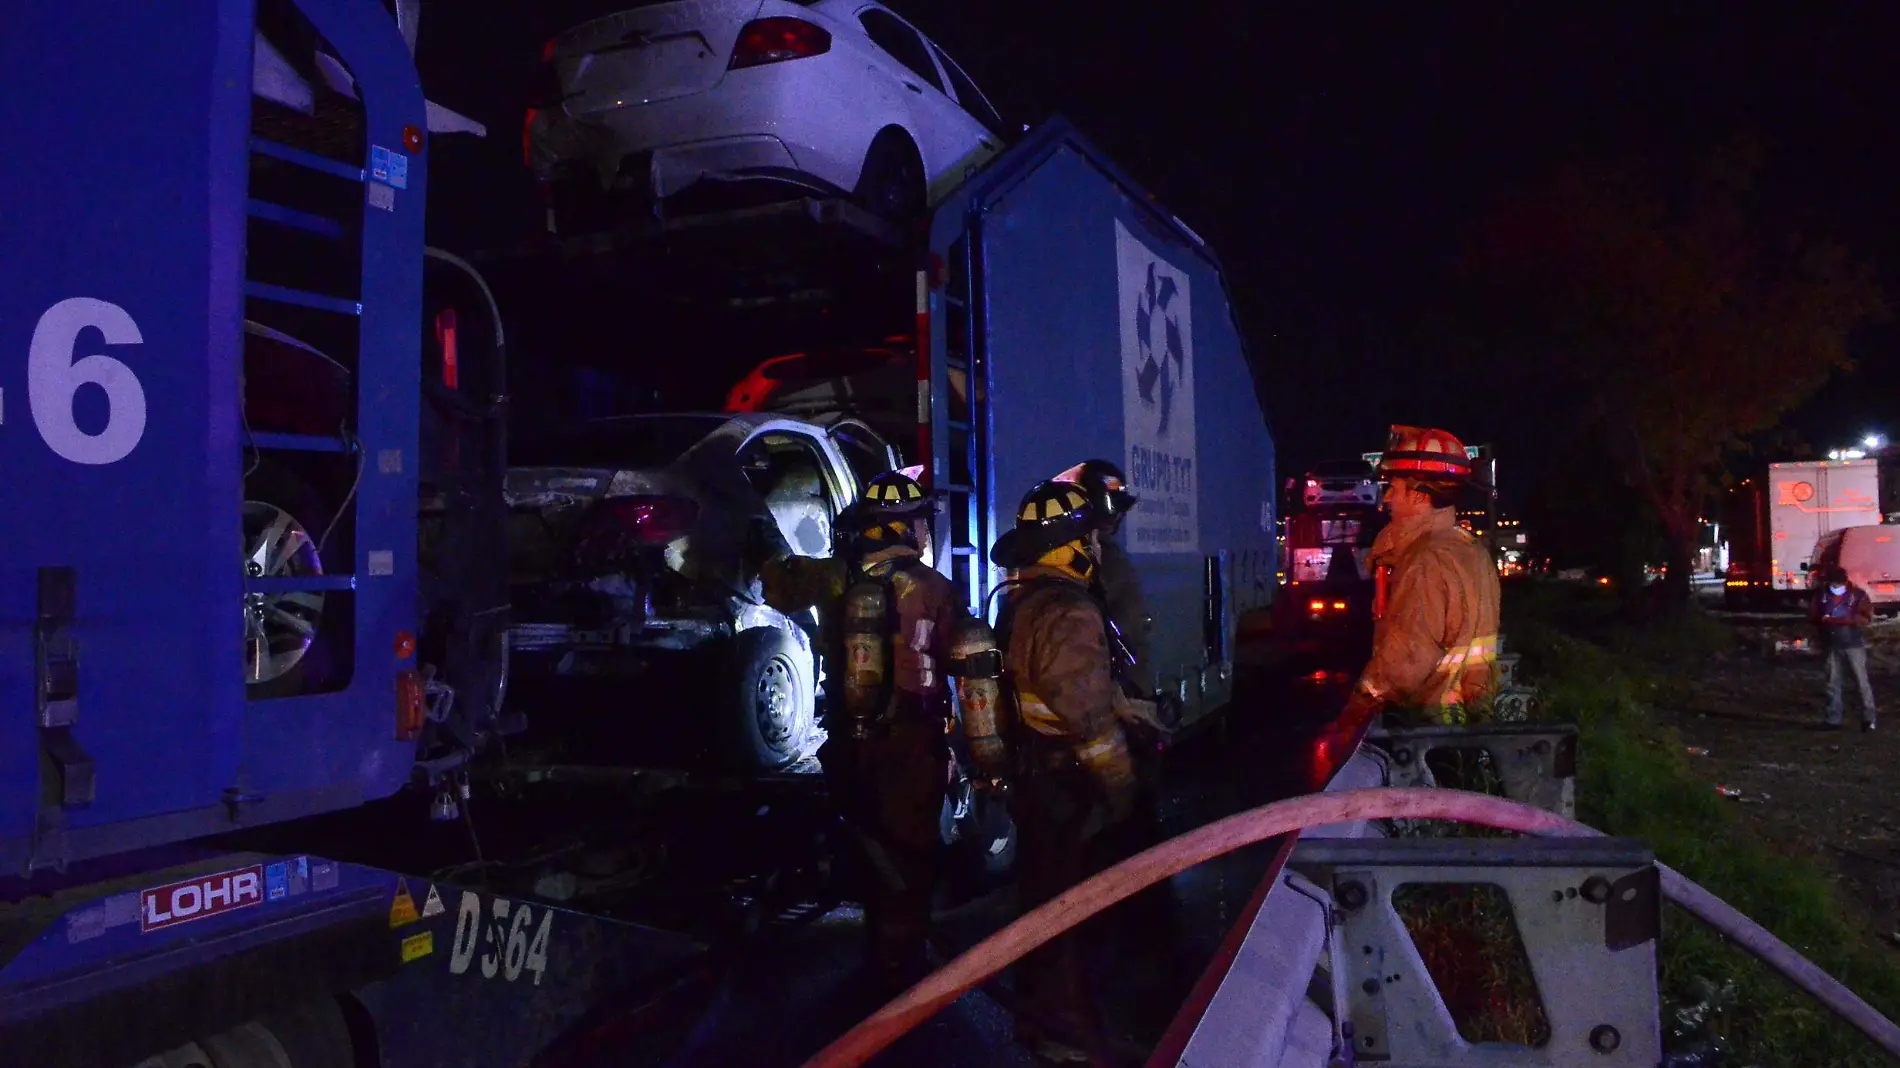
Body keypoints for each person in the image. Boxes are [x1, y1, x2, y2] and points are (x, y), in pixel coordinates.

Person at [759, 470, 965, 990]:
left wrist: (765, 545)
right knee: (910, 857)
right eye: (920, 522)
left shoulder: (837, 578)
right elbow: (965, 665)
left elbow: (777, 585)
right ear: (907, 527)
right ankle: (902, 975)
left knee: (872, 849)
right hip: (911, 744)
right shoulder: (937, 589)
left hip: (851, 742)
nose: (924, 533)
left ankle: (880, 956)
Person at [990, 479, 1139, 1065]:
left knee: (1040, 902)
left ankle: (1038, 1023)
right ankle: (1068, 1037)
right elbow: (1087, 718)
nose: (1098, 549)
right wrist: (1121, 789)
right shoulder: (1071, 611)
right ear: (1073, 547)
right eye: (1090, 539)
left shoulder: (1018, 603)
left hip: (1031, 776)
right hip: (1065, 784)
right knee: (1071, 912)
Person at [1313, 425, 1502, 782]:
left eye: (1393, 489)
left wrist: (1355, 711)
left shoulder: (1425, 561)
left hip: (1428, 735)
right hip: (1468, 724)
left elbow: (1405, 660)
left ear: (1419, 496)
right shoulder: (1469, 550)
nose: (1385, 500)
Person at [1810, 565, 1877, 731]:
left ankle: (1869, 719)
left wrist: (1848, 620)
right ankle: (1833, 719)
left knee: (1861, 683)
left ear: (1845, 581)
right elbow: (1812, 615)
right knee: (1832, 682)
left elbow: (1866, 617)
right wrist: (1822, 623)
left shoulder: (1858, 595)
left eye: (1838, 584)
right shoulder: (1822, 595)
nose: (1836, 588)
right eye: (1833, 584)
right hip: (1831, 644)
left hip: (1853, 643)